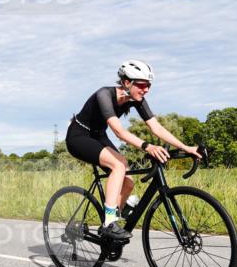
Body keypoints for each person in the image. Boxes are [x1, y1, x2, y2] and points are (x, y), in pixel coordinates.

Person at [66, 60, 200, 241]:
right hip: (79, 136)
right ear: (127, 82)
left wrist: (185, 147)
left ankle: (109, 225)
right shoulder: (104, 95)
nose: (146, 90)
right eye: (142, 85)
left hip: (97, 136)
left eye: (149, 86)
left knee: (128, 182)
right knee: (118, 166)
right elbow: (119, 132)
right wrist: (147, 146)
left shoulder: (136, 100)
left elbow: (156, 128)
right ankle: (109, 223)